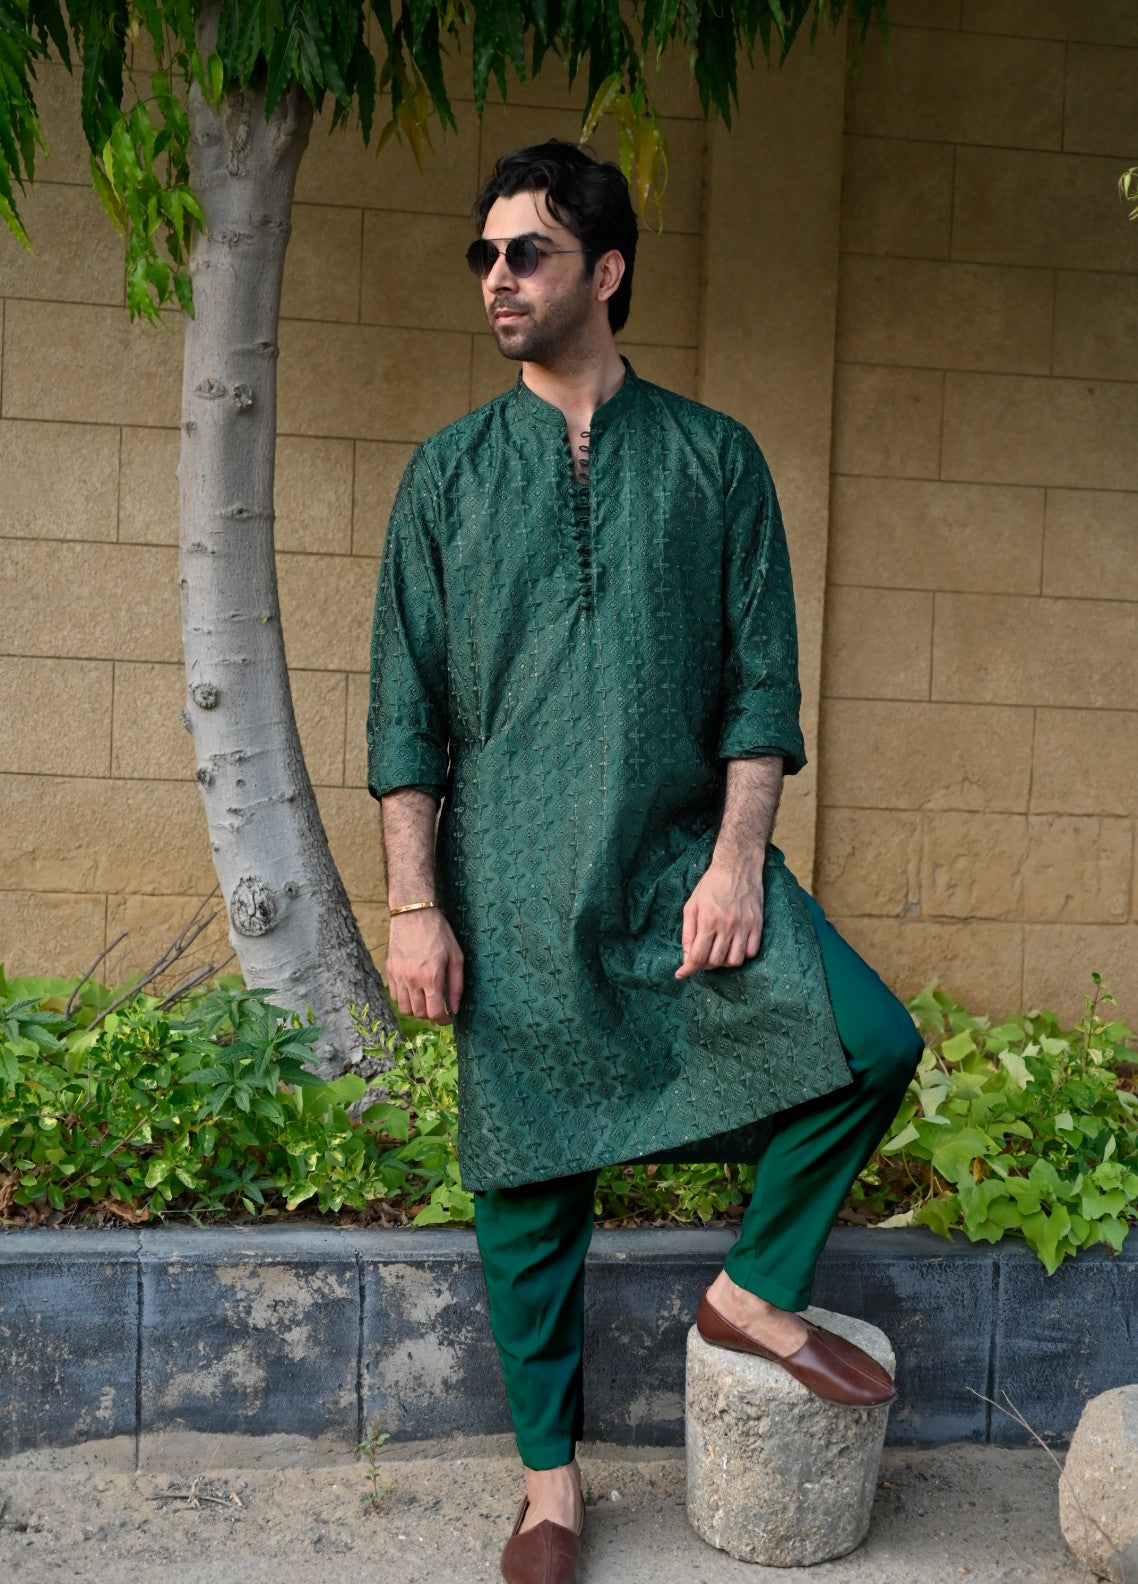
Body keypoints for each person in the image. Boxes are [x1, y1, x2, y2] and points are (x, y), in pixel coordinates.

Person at [366, 139, 925, 1584]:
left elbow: (761, 688)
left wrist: (738, 864)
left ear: (604, 271)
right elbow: (404, 713)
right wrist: (415, 902)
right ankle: (549, 1489)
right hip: (509, 873)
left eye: (527, 252)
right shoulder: (447, 475)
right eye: (484, 255)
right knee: (528, 1179)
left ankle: (754, 1290)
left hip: (680, 859)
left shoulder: (713, 458)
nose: (496, 278)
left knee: (868, 1043)